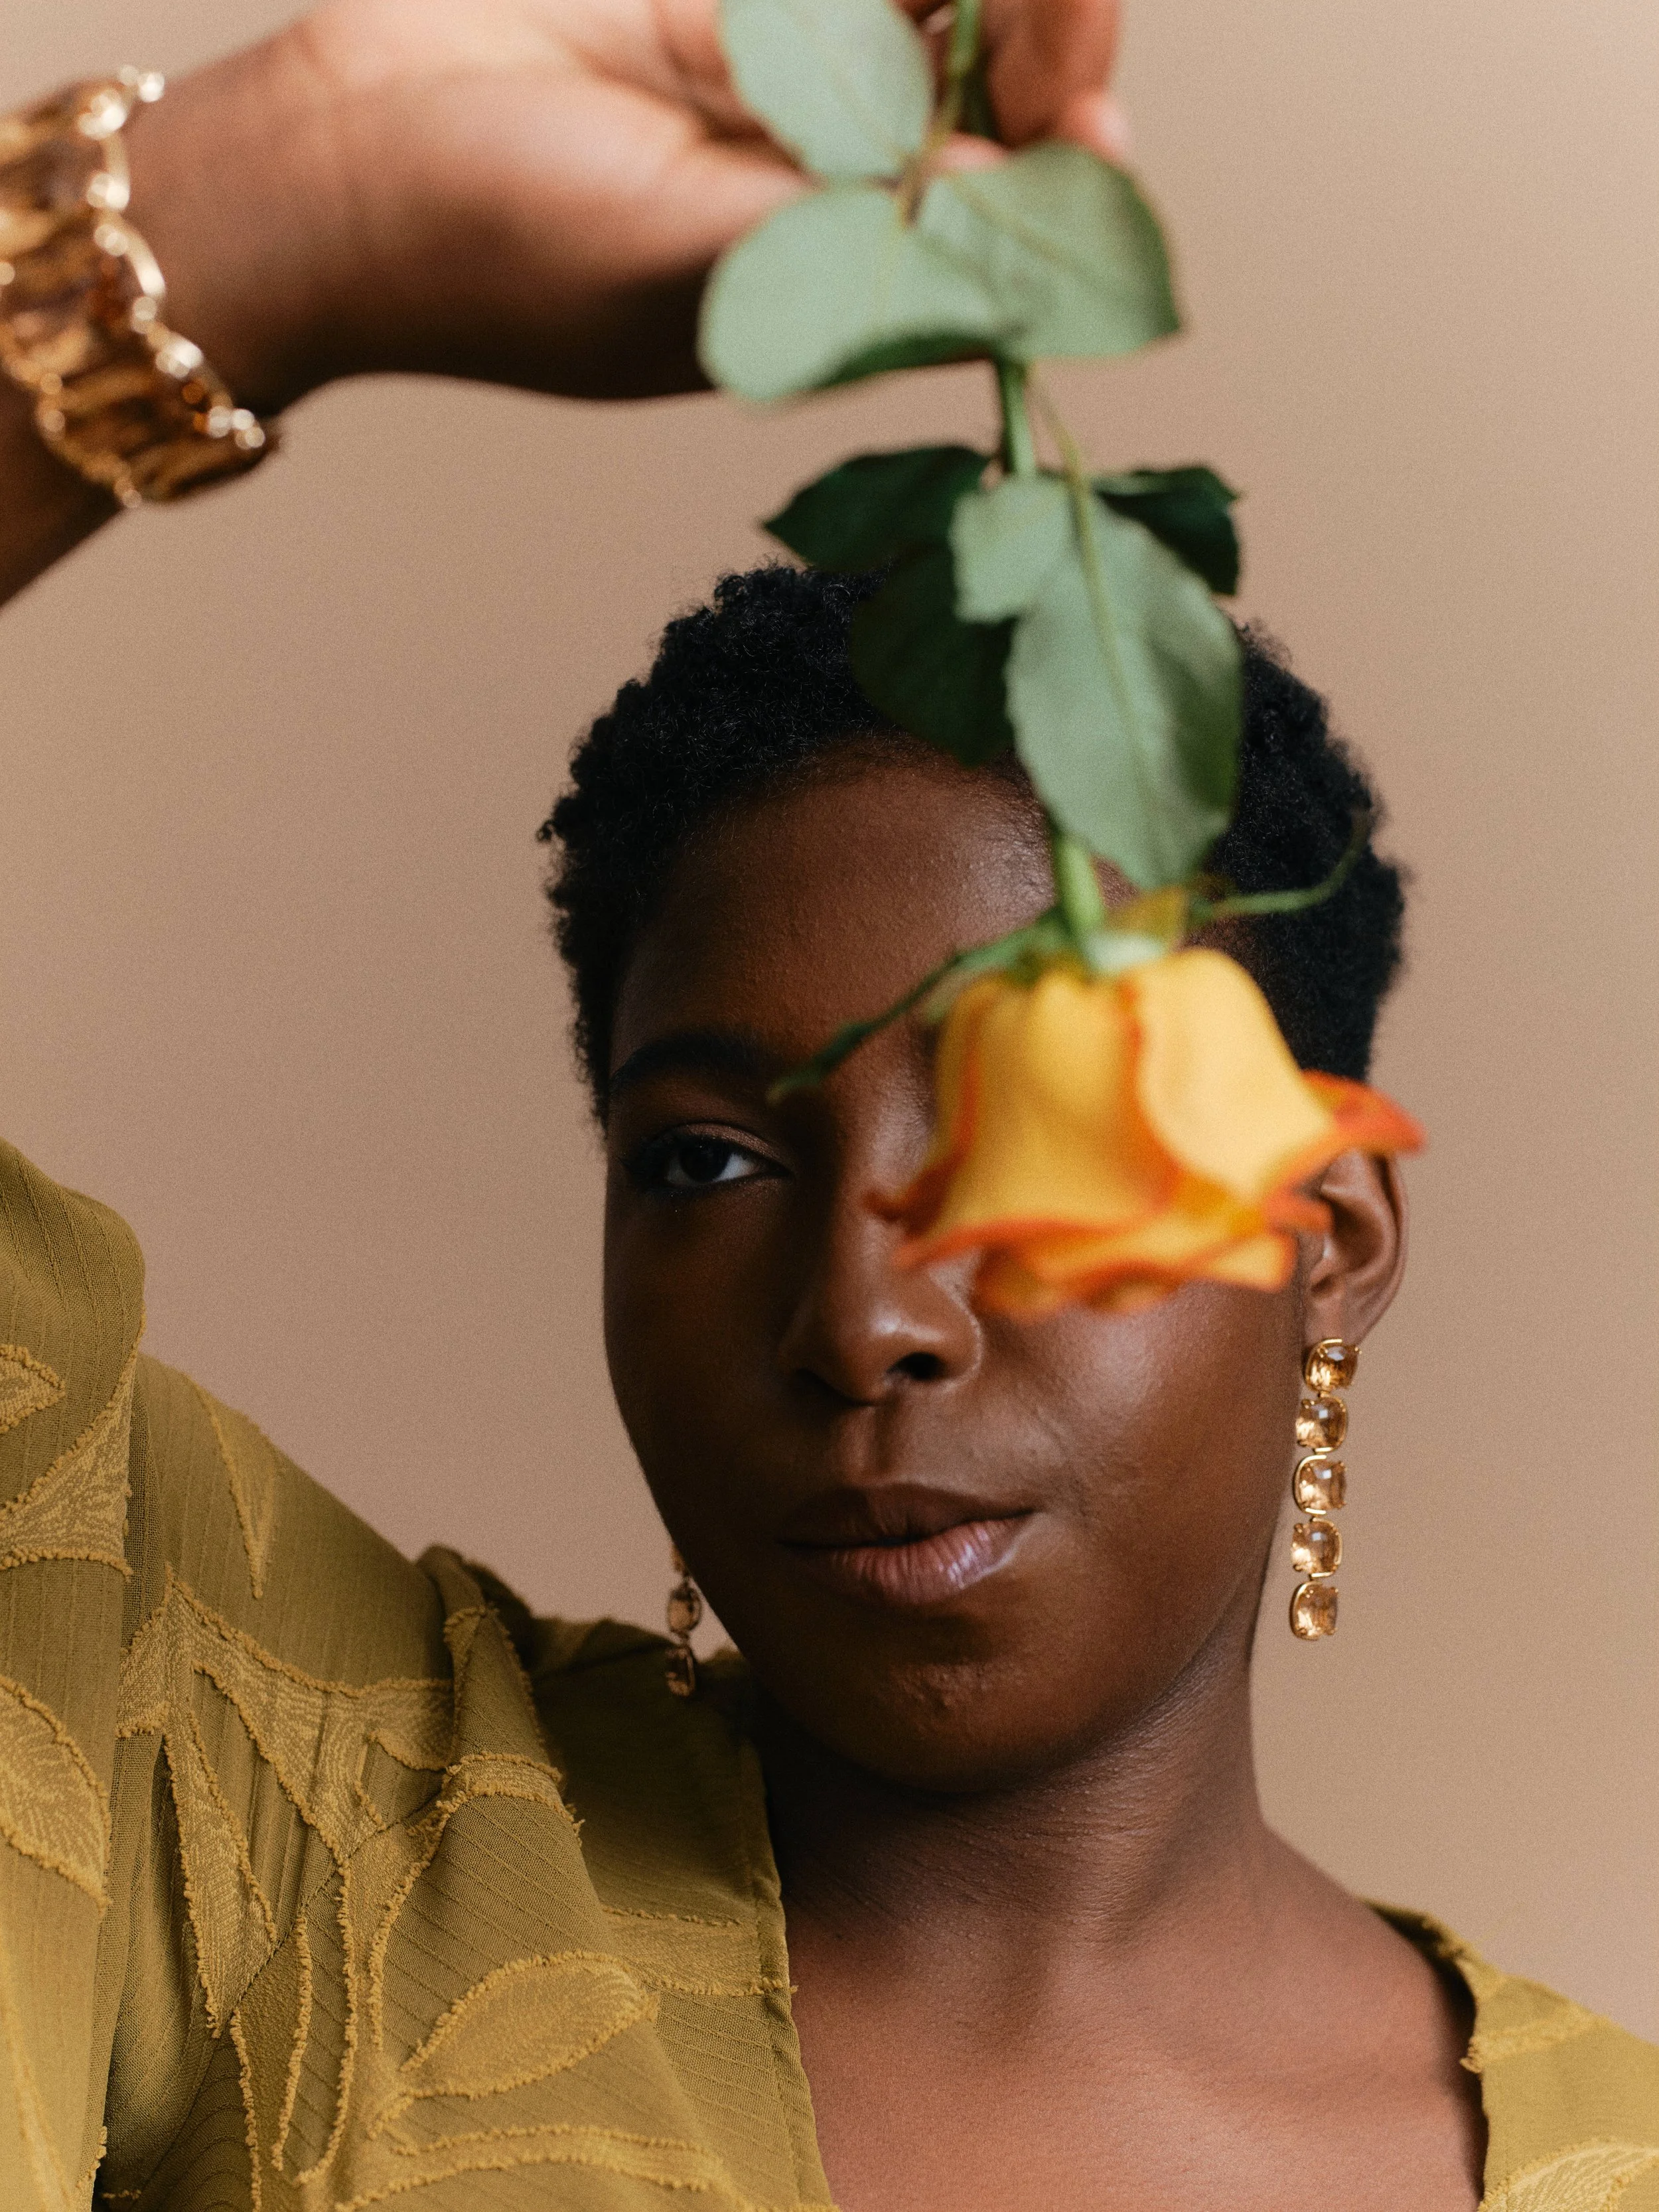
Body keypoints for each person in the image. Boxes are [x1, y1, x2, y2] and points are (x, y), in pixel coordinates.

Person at [0, 4, 1652, 2207]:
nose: (860, 1313)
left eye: (1023, 1152)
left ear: (1323, 1232)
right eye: (707, 1158)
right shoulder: (245, 1803)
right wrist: (309, 196)